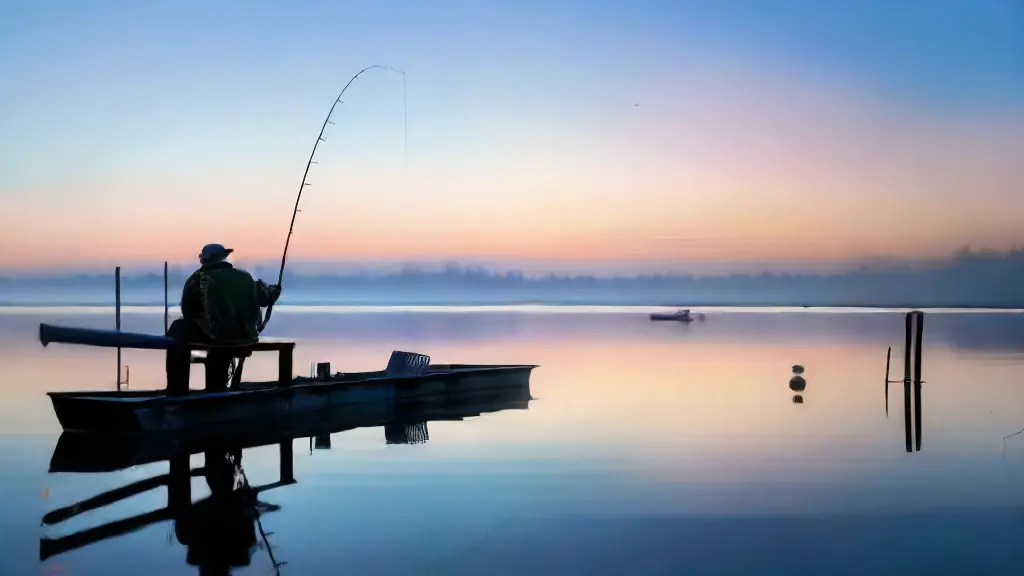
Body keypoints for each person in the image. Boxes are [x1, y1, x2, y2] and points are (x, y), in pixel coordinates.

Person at [165, 244, 281, 393]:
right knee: (219, 356)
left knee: (178, 328)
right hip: (246, 337)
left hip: (218, 337)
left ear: (205, 260)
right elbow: (265, 298)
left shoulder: (199, 279)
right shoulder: (244, 277)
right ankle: (217, 392)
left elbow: (188, 311)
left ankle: (176, 390)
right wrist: (275, 290)